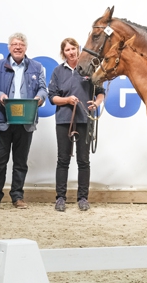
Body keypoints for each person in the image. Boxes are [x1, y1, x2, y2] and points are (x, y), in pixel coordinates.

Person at [0, 33, 48, 210]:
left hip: (25, 122)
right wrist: (0, 96)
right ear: (9, 47)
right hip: (3, 120)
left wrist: (40, 98)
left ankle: (17, 196)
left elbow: (43, 88)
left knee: (20, 162)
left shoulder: (37, 66)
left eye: (21, 44)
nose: (18, 47)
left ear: (26, 48)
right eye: (14, 44)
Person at [48, 38, 105, 212]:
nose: (71, 52)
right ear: (63, 53)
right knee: (63, 160)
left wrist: (96, 103)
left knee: (83, 160)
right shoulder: (58, 71)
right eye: (67, 50)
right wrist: (66, 100)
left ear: (79, 49)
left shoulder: (90, 69)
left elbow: (101, 93)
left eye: (73, 48)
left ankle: (82, 198)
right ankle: (60, 198)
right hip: (64, 119)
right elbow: (52, 97)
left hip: (84, 119)